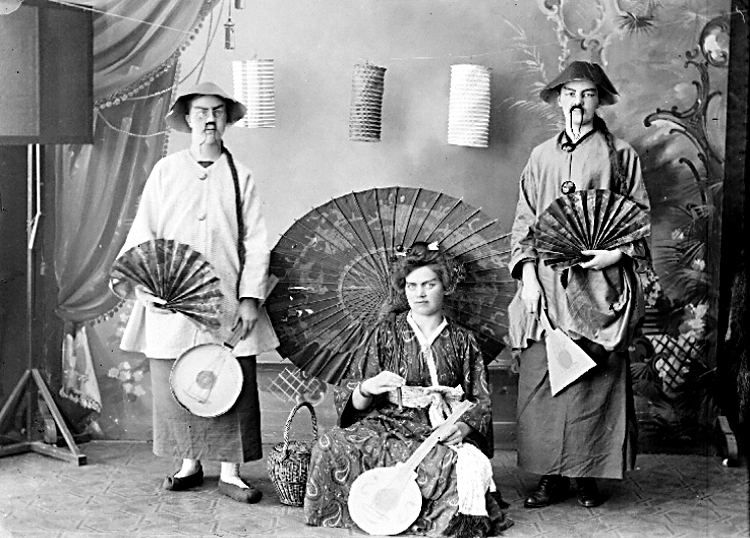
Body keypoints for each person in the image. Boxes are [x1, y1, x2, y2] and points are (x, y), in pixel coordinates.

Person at [111, 81, 279, 503]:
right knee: (177, 379)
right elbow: (144, 232)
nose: (209, 119)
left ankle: (232, 472)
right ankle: (189, 464)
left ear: (226, 120)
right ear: (187, 118)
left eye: (217, 112)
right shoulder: (166, 171)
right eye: (201, 111)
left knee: (230, 380)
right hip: (173, 302)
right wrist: (146, 286)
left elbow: (256, 242)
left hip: (227, 300)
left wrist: (250, 298)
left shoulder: (241, 176)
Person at [508, 61, 651, 509]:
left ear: (599, 100)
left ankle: (587, 474)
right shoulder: (540, 157)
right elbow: (524, 223)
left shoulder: (621, 155)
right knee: (546, 380)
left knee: (594, 381)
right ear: (557, 99)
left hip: (598, 285)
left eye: (587, 94)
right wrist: (528, 276)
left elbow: (638, 218)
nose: (578, 101)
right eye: (569, 93)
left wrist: (614, 255)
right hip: (548, 285)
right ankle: (551, 475)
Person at [304, 242, 512, 538]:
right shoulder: (386, 332)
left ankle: (432, 517)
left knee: (460, 465)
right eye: (411, 286)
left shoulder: (463, 340)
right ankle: (361, 510)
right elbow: (352, 400)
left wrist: (463, 428)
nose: (419, 293)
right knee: (329, 444)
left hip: (439, 425)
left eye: (429, 284)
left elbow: (480, 399)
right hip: (388, 421)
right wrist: (367, 388)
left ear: (445, 286)